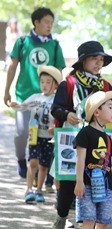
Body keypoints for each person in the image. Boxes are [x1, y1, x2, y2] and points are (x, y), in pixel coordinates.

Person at [50, 40, 112, 229]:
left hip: (98, 140)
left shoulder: (105, 86)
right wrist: (66, 114)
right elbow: (55, 108)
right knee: (68, 183)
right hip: (72, 139)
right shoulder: (68, 83)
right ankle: (61, 216)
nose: (98, 63)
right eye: (94, 58)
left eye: (101, 59)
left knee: (97, 180)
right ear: (83, 60)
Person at [4, 7, 65, 179]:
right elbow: (13, 66)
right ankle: (21, 159)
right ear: (36, 22)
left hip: (48, 100)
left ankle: (44, 168)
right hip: (25, 96)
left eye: (52, 23)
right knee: (22, 133)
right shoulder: (23, 42)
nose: (49, 26)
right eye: (46, 22)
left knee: (47, 135)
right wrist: (6, 91)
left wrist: (61, 98)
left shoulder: (55, 45)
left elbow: (59, 73)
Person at [73, 91, 112, 229]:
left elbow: (109, 163)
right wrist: (79, 181)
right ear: (96, 112)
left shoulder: (108, 138)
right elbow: (80, 159)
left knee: (103, 219)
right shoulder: (85, 133)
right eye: (109, 107)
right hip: (87, 183)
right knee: (88, 218)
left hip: (106, 185)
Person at [10, 66, 61, 204]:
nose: (44, 85)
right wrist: (16, 104)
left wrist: (55, 127)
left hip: (49, 138)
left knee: (44, 165)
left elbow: (60, 117)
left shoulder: (57, 100)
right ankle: (28, 190)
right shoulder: (35, 97)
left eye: (48, 82)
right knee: (33, 162)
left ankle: (39, 190)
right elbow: (23, 106)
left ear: (55, 84)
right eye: (42, 81)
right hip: (35, 136)